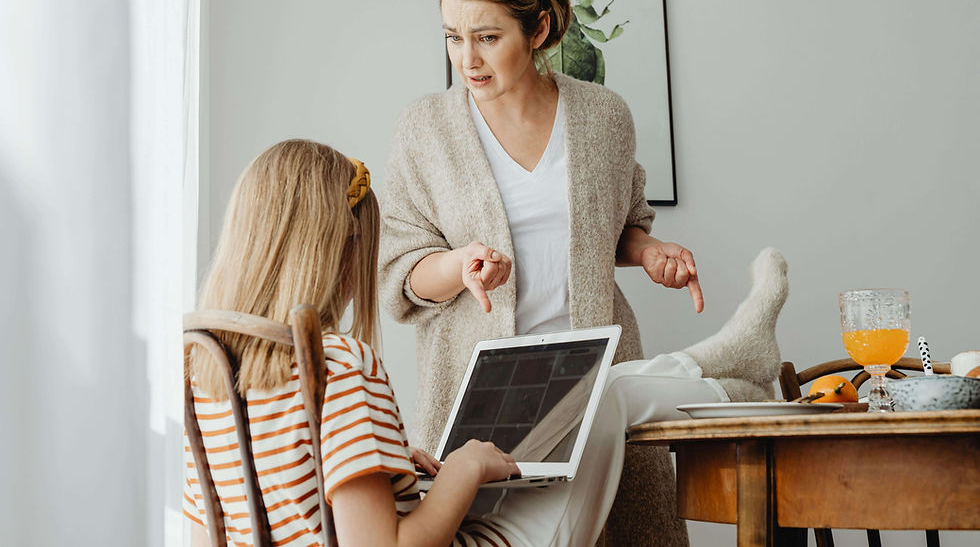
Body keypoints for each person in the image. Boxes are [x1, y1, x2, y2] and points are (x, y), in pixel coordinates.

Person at [184, 139, 789, 547]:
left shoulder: (204, 367)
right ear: (337, 254)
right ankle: (732, 371)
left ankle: (731, 365)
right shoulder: (336, 363)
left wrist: (401, 470)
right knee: (595, 396)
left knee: (604, 389)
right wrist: (465, 469)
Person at [378, 0, 775, 544]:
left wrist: (648, 253)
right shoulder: (425, 128)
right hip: (484, 395)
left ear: (537, 31)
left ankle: (734, 365)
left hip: (594, 373)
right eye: (454, 37)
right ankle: (732, 365)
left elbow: (619, 226)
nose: (468, 58)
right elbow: (399, 272)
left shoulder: (602, 116)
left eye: (488, 37)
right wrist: (459, 265)